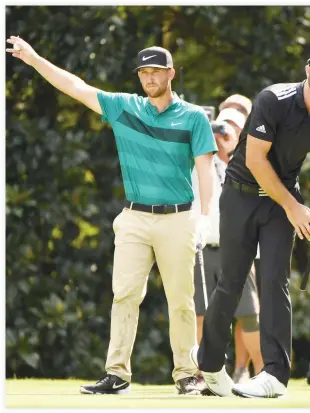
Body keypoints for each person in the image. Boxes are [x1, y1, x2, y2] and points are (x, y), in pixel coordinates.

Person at [6, 36, 217, 395]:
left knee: (182, 301)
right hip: (134, 217)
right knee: (124, 296)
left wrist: (206, 217)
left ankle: (186, 374)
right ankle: (117, 374)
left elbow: (205, 170)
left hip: (178, 217)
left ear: (171, 74)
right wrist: (36, 59)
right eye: (144, 73)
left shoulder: (194, 117)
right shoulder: (124, 107)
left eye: (156, 72)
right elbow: (75, 86)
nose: (149, 78)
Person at [189, 46, 310, 398]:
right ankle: (210, 363)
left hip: (279, 203)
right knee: (230, 282)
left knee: (275, 282)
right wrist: (295, 208)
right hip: (241, 194)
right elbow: (258, 162)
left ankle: (274, 375)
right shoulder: (272, 99)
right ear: (308, 70)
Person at [192, 110, 263, 385]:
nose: (223, 134)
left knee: (248, 313)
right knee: (200, 313)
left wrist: (233, 147)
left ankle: (263, 372)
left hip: (237, 249)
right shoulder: (200, 159)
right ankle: (200, 373)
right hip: (203, 246)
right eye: (221, 127)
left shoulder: (249, 160)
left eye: (230, 128)